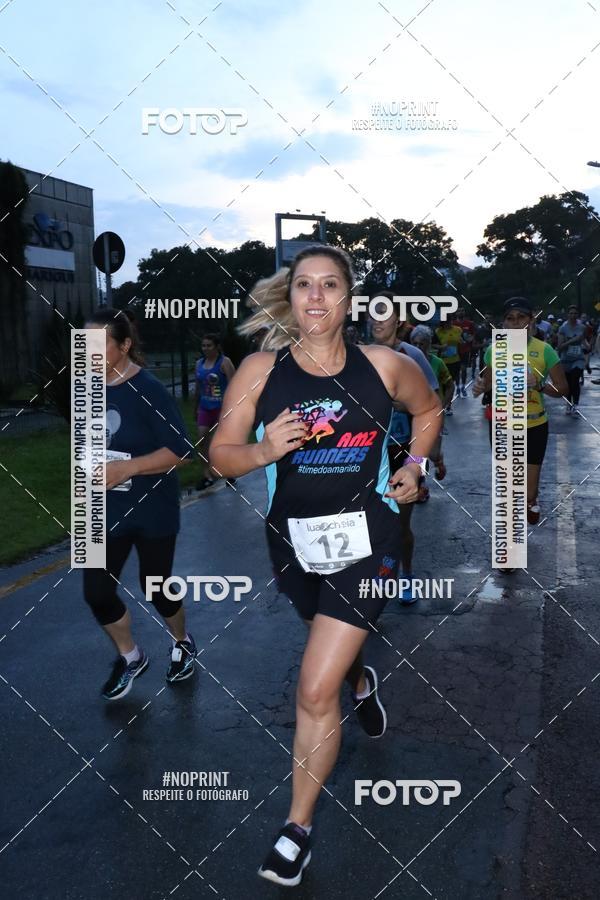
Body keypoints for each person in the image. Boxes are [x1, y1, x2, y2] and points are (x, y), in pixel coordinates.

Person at [212, 246, 442, 886]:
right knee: (331, 655)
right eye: (304, 286)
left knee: (313, 688)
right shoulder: (260, 371)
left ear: (349, 299)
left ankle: (297, 829)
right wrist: (264, 448)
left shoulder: (388, 367)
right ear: (291, 299)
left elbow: (429, 412)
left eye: (330, 285)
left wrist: (414, 468)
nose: (316, 297)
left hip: (370, 541)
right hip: (294, 546)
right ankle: (360, 680)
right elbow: (220, 456)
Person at [83, 308, 197, 700]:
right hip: (102, 509)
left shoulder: (148, 388)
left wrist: (128, 468)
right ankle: (131, 657)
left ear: (125, 345)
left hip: (152, 508)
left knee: (156, 587)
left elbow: (182, 452)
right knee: (96, 591)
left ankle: (182, 642)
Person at [368, 292, 440, 600]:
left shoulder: (413, 356)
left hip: (403, 452)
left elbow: (431, 407)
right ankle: (371, 586)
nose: (375, 319)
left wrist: (432, 453)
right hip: (365, 452)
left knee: (399, 524)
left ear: (398, 320)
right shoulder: (355, 355)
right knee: (368, 525)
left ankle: (406, 575)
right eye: (371, 312)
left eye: (383, 313)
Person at [474, 297, 568, 525]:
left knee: (528, 491)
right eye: (510, 319)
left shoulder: (544, 351)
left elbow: (562, 389)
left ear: (531, 321)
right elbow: (487, 383)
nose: (516, 324)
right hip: (503, 425)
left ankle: (530, 500)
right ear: (504, 324)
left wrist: (539, 384)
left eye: (521, 318)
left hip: (534, 426)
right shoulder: (493, 351)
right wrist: (480, 386)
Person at [410, 324, 454, 481]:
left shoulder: (437, 362)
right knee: (418, 453)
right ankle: (420, 484)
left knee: (433, 453)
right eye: (414, 343)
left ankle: (439, 461)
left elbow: (450, 385)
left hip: (434, 414)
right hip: (414, 414)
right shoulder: (406, 361)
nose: (418, 347)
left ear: (429, 344)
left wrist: (443, 406)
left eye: (421, 343)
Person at [195, 334, 235, 490]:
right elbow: (198, 388)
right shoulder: (199, 364)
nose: (205, 348)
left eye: (209, 345)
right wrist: (196, 408)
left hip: (222, 408)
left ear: (216, 346)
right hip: (205, 408)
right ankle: (207, 475)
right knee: (202, 440)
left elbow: (234, 385)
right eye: (203, 346)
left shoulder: (225, 363)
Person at [433, 315, 462, 413]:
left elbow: (462, 341)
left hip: (455, 361)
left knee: (450, 384)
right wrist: (441, 347)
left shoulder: (458, 330)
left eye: (449, 321)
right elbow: (433, 344)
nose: (448, 324)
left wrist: (462, 341)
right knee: (442, 385)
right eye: (445, 322)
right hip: (442, 362)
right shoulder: (438, 331)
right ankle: (442, 404)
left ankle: (449, 405)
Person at [454, 306, 476, 397]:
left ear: (464, 312)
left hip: (465, 350)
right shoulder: (453, 323)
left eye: (462, 310)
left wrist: (468, 340)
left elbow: (473, 335)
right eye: (459, 311)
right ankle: (457, 387)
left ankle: (463, 386)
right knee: (456, 371)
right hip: (455, 351)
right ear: (456, 313)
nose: (460, 312)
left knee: (463, 370)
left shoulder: (469, 323)